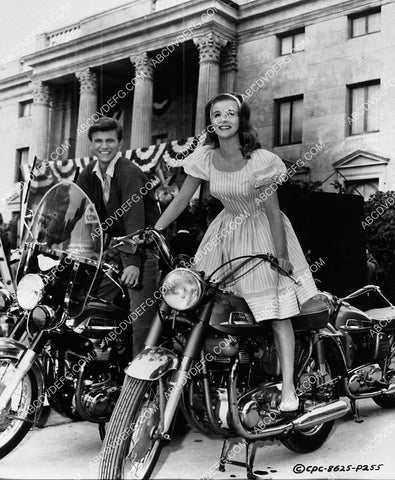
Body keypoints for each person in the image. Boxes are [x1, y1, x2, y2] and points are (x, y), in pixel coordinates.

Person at [155, 92, 318, 412]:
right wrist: (155, 229)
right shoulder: (204, 156)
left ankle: (288, 389)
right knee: (202, 303)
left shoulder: (260, 160)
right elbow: (181, 200)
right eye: (217, 115)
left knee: (275, 311)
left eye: (231, 113)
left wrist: (281, 256)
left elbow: (273, 213)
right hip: (225, 232)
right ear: (210, 121)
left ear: (241, 119)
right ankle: (221, 379)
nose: (224, 119)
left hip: (262, 231)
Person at [77, 117, 160, 357]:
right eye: (98, 141)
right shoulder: (88, 173)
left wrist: (134, 263)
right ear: (91, 144)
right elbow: (78, 211)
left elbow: (135, 220)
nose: (104, 146)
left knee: (140, 320)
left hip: (143, 247)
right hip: (114, 247)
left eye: (110, 141)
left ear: (120, 143)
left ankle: (142, 383)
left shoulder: (129, 173)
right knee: (94, 305)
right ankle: (105, 364)